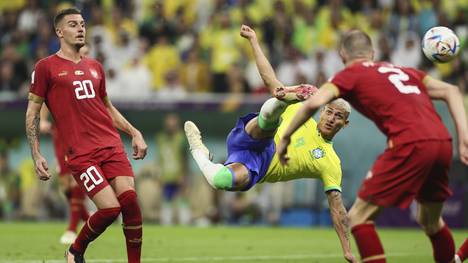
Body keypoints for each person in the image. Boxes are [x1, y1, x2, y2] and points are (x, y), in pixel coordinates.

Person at [276, 29, 468, 263]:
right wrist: (464, 136)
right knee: (430, 221)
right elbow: (452, 91)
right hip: (442, 142)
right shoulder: (403, 71)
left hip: (410, 143)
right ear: (372, 53)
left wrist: (285, 137)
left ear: (342, 54)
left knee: (359, 217)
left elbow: (313, 103)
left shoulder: (349, 75)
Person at [184, 25, 356, 263]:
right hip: (256, 134)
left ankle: (198, 150)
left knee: (219, 181)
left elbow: (337, 208)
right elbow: (267, 78)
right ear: (323, 111)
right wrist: (254, 40)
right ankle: (286, 97)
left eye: (339, 117)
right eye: (329, 112)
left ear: (345, 124)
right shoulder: (302, 113)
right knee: (274, 107)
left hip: (256, 164)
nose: (331, 119)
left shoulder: (331, 162)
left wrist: (347, 248)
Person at [25, 8, 147, 263]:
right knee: (110, 209)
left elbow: (108, 108)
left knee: (131, 203)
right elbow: (33, 114)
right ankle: (75, 250)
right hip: (82, 154)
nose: (80, 28)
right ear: (59, 32)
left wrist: (134, 132)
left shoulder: (95, 67)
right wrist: (36, 154)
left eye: (82, 24)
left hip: (111, 145)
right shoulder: (46, 68)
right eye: (72, 24)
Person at [40, 105, 90, 244]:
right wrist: (43, 120)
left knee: (76, 179)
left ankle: (72, 229)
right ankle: (88, 221)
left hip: (79, 130)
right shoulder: (54, 84)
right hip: (60, 133)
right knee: (66, 187)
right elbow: (45, 100)